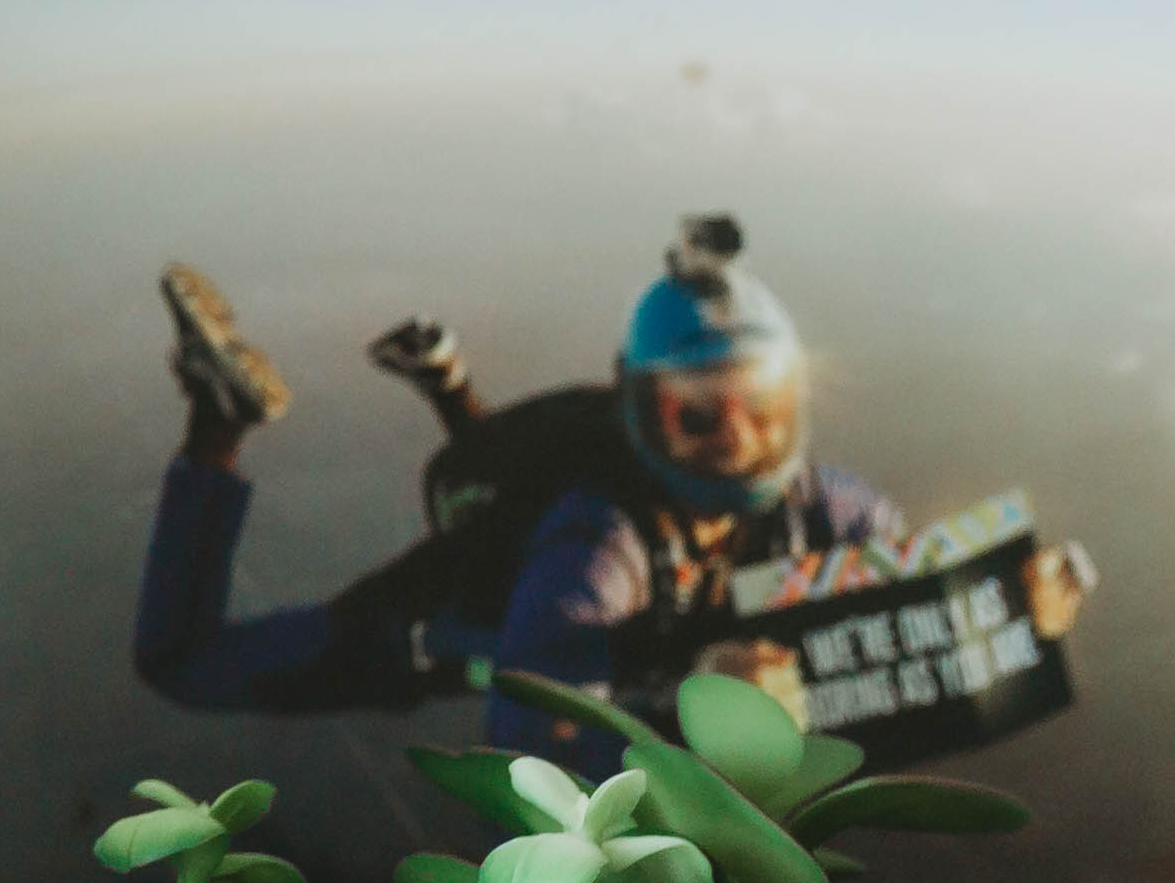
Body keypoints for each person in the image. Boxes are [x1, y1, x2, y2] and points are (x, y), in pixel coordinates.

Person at [130, 217, 1089, 768]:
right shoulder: (598, 545)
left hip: (604, 618)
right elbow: (535, 746)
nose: (738, 443)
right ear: (642, 416)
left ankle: (452, 386)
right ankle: (217, 421)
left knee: (519, 505)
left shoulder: (820, 505)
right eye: (696, 417)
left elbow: (904, 580)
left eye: (761, 407)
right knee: (181, 663)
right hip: (461, 624)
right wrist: (698, 723)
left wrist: (1014, 599)